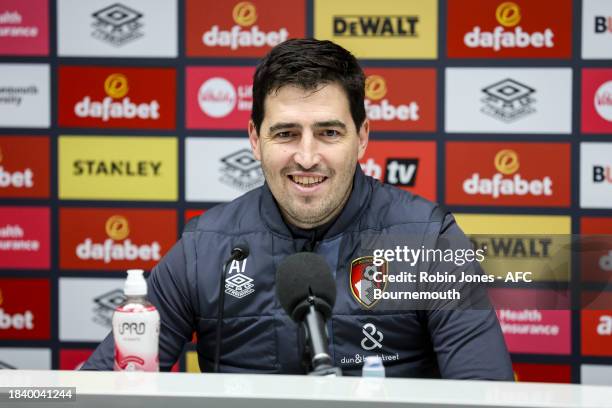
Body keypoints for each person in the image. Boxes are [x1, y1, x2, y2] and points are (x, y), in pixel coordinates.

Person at [82, 38, 513, 379]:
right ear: (255, 139)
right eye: (286, 133)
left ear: (362, 137)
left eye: (328, 132)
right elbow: (103, 384)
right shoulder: (204, 248)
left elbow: (485, 392)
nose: (306, 157)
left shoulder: (427, 240)